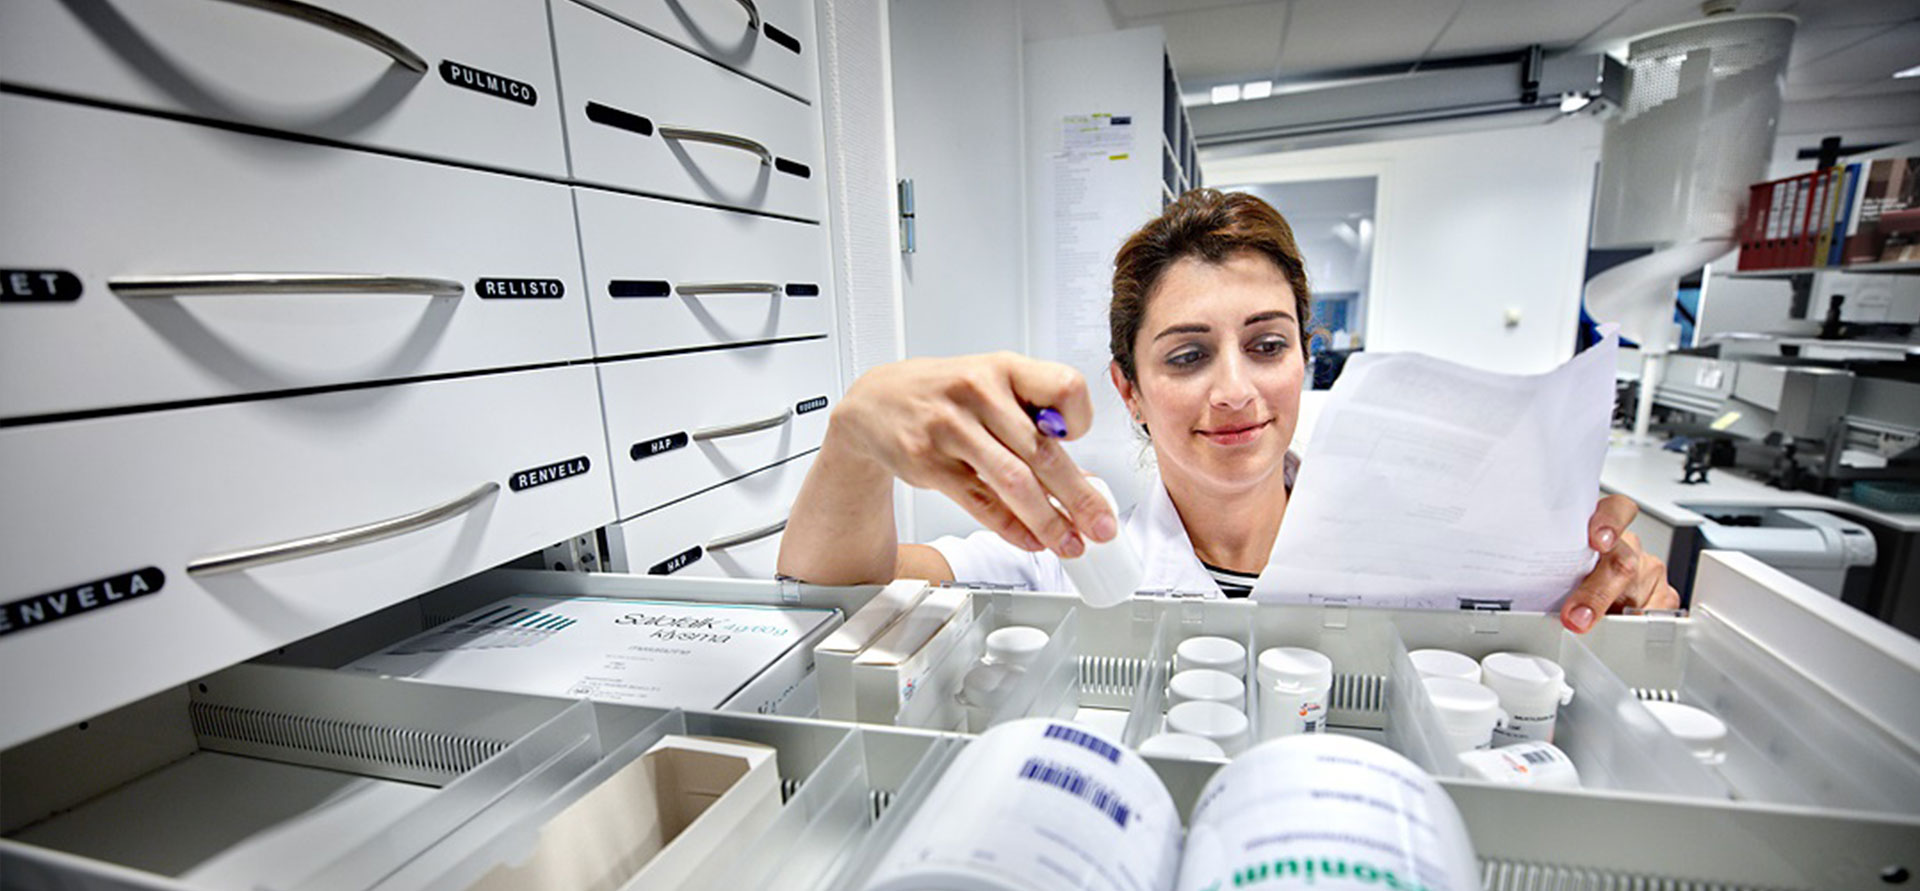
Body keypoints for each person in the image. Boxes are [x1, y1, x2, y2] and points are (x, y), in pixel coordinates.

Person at [778, 190, 1680, 631]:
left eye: (1266, 343)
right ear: (1127, 388)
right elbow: (825, 590)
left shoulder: (1429, 546)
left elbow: (1575, 642)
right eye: (1186, 355)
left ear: (1305, 357)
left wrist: (1623, 598)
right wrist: (854, 436)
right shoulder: (1066, 560)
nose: (1237, 390)